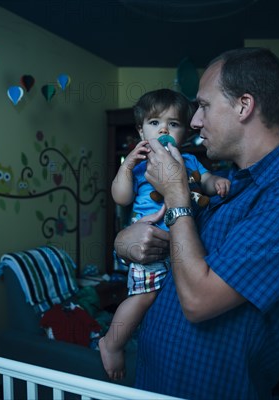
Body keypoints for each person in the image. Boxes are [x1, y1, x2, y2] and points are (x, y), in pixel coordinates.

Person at [113, 48, 279, 399]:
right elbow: (175, 247)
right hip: (154, 382)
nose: (196, 122)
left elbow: (199, 300)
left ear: (243, 106)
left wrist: (174, 192)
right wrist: (124, 242)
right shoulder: (223, 183)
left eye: (203, 106)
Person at [99, 89, 231, 381]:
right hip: (149, 245)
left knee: (166, 300)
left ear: (183, 131)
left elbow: (205, 181)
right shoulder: (141, 164)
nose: (164, 130)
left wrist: (216, 181)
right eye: (155, 123)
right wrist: (128, 166)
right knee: (143, 298)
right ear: (140, 130)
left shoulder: (189, 161)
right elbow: (121, 197)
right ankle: (111, 342)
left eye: (173, 124)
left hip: (178, 248)